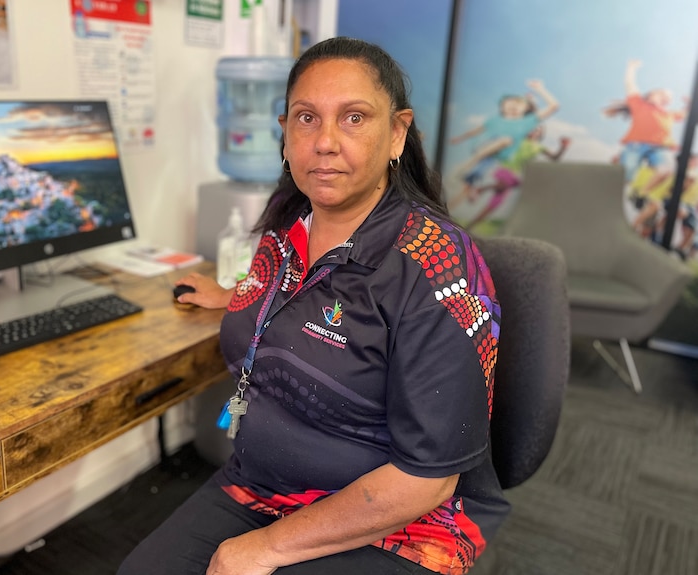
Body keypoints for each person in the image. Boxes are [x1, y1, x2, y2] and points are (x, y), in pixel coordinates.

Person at [117, 37, 507, 575]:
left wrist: (267, 549)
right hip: (259, 487)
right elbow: (304, 294)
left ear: (397, 133)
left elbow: (428, 476)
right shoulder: (286, 225)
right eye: (306, 118)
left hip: (401, 519)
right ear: (283, 133)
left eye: (353, 118)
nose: (324, 141)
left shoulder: (437, 266)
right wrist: (233, 296)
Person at [448, 80, 559, 210]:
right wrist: (459, 138)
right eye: (510, 103)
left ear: (525, 109)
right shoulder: (495, 120)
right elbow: (475, 131)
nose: (513, 106)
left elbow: (553, 106)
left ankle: (450, 209)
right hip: (483, 148)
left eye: (518, 105)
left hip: (493, 157)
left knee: (467, 186)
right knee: (503, 140)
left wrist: (540, 89)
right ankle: (465, 168)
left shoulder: (526, 122)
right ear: (502, 106)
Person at [603, 59, 689, 187]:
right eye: (661, 93)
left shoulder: (670, 114)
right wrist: (631, 68)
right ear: (650, 96)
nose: (665, 96)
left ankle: (641, 193)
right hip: (636, 145)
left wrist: (690, 104)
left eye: (667, 96)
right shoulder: (639, 104)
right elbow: (629, 84)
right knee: (626, 175)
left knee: (667, 170)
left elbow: (688, 114)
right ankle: (618, 191)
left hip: (660, 147)